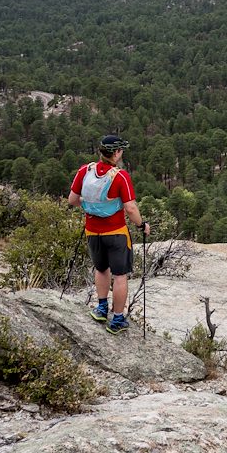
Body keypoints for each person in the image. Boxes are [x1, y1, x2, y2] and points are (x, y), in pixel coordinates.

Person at [68, 134, 150, 334]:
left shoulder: (84, 171)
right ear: (117, 153)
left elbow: (72, 200)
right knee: (120, 276)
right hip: (115, 233)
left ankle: (101, 308)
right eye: (121, 150)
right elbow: (130, 208)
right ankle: (118, 319)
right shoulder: (120, 176)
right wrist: (142, 225)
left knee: (101, 268)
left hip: (92, 231)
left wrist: (92, 208)